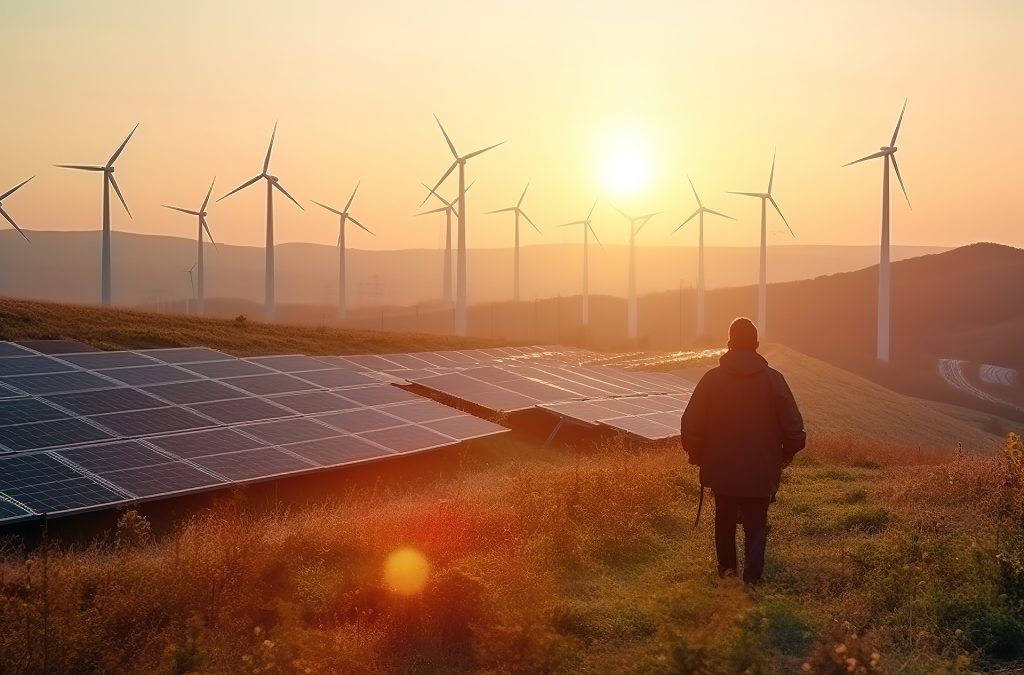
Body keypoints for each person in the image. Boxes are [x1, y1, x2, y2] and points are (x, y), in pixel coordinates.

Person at [680, 317, 805, 585]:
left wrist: (697, 454)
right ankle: (752, 581)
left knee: (723, 522)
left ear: (728, 344)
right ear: (757, 345)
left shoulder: (711, 380)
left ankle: (727, 577)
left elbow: (691, 424)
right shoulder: (775, 381)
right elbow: (794, 428)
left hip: (721, 470)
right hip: (761, 471)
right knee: (757, 523)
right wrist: (785, 455)